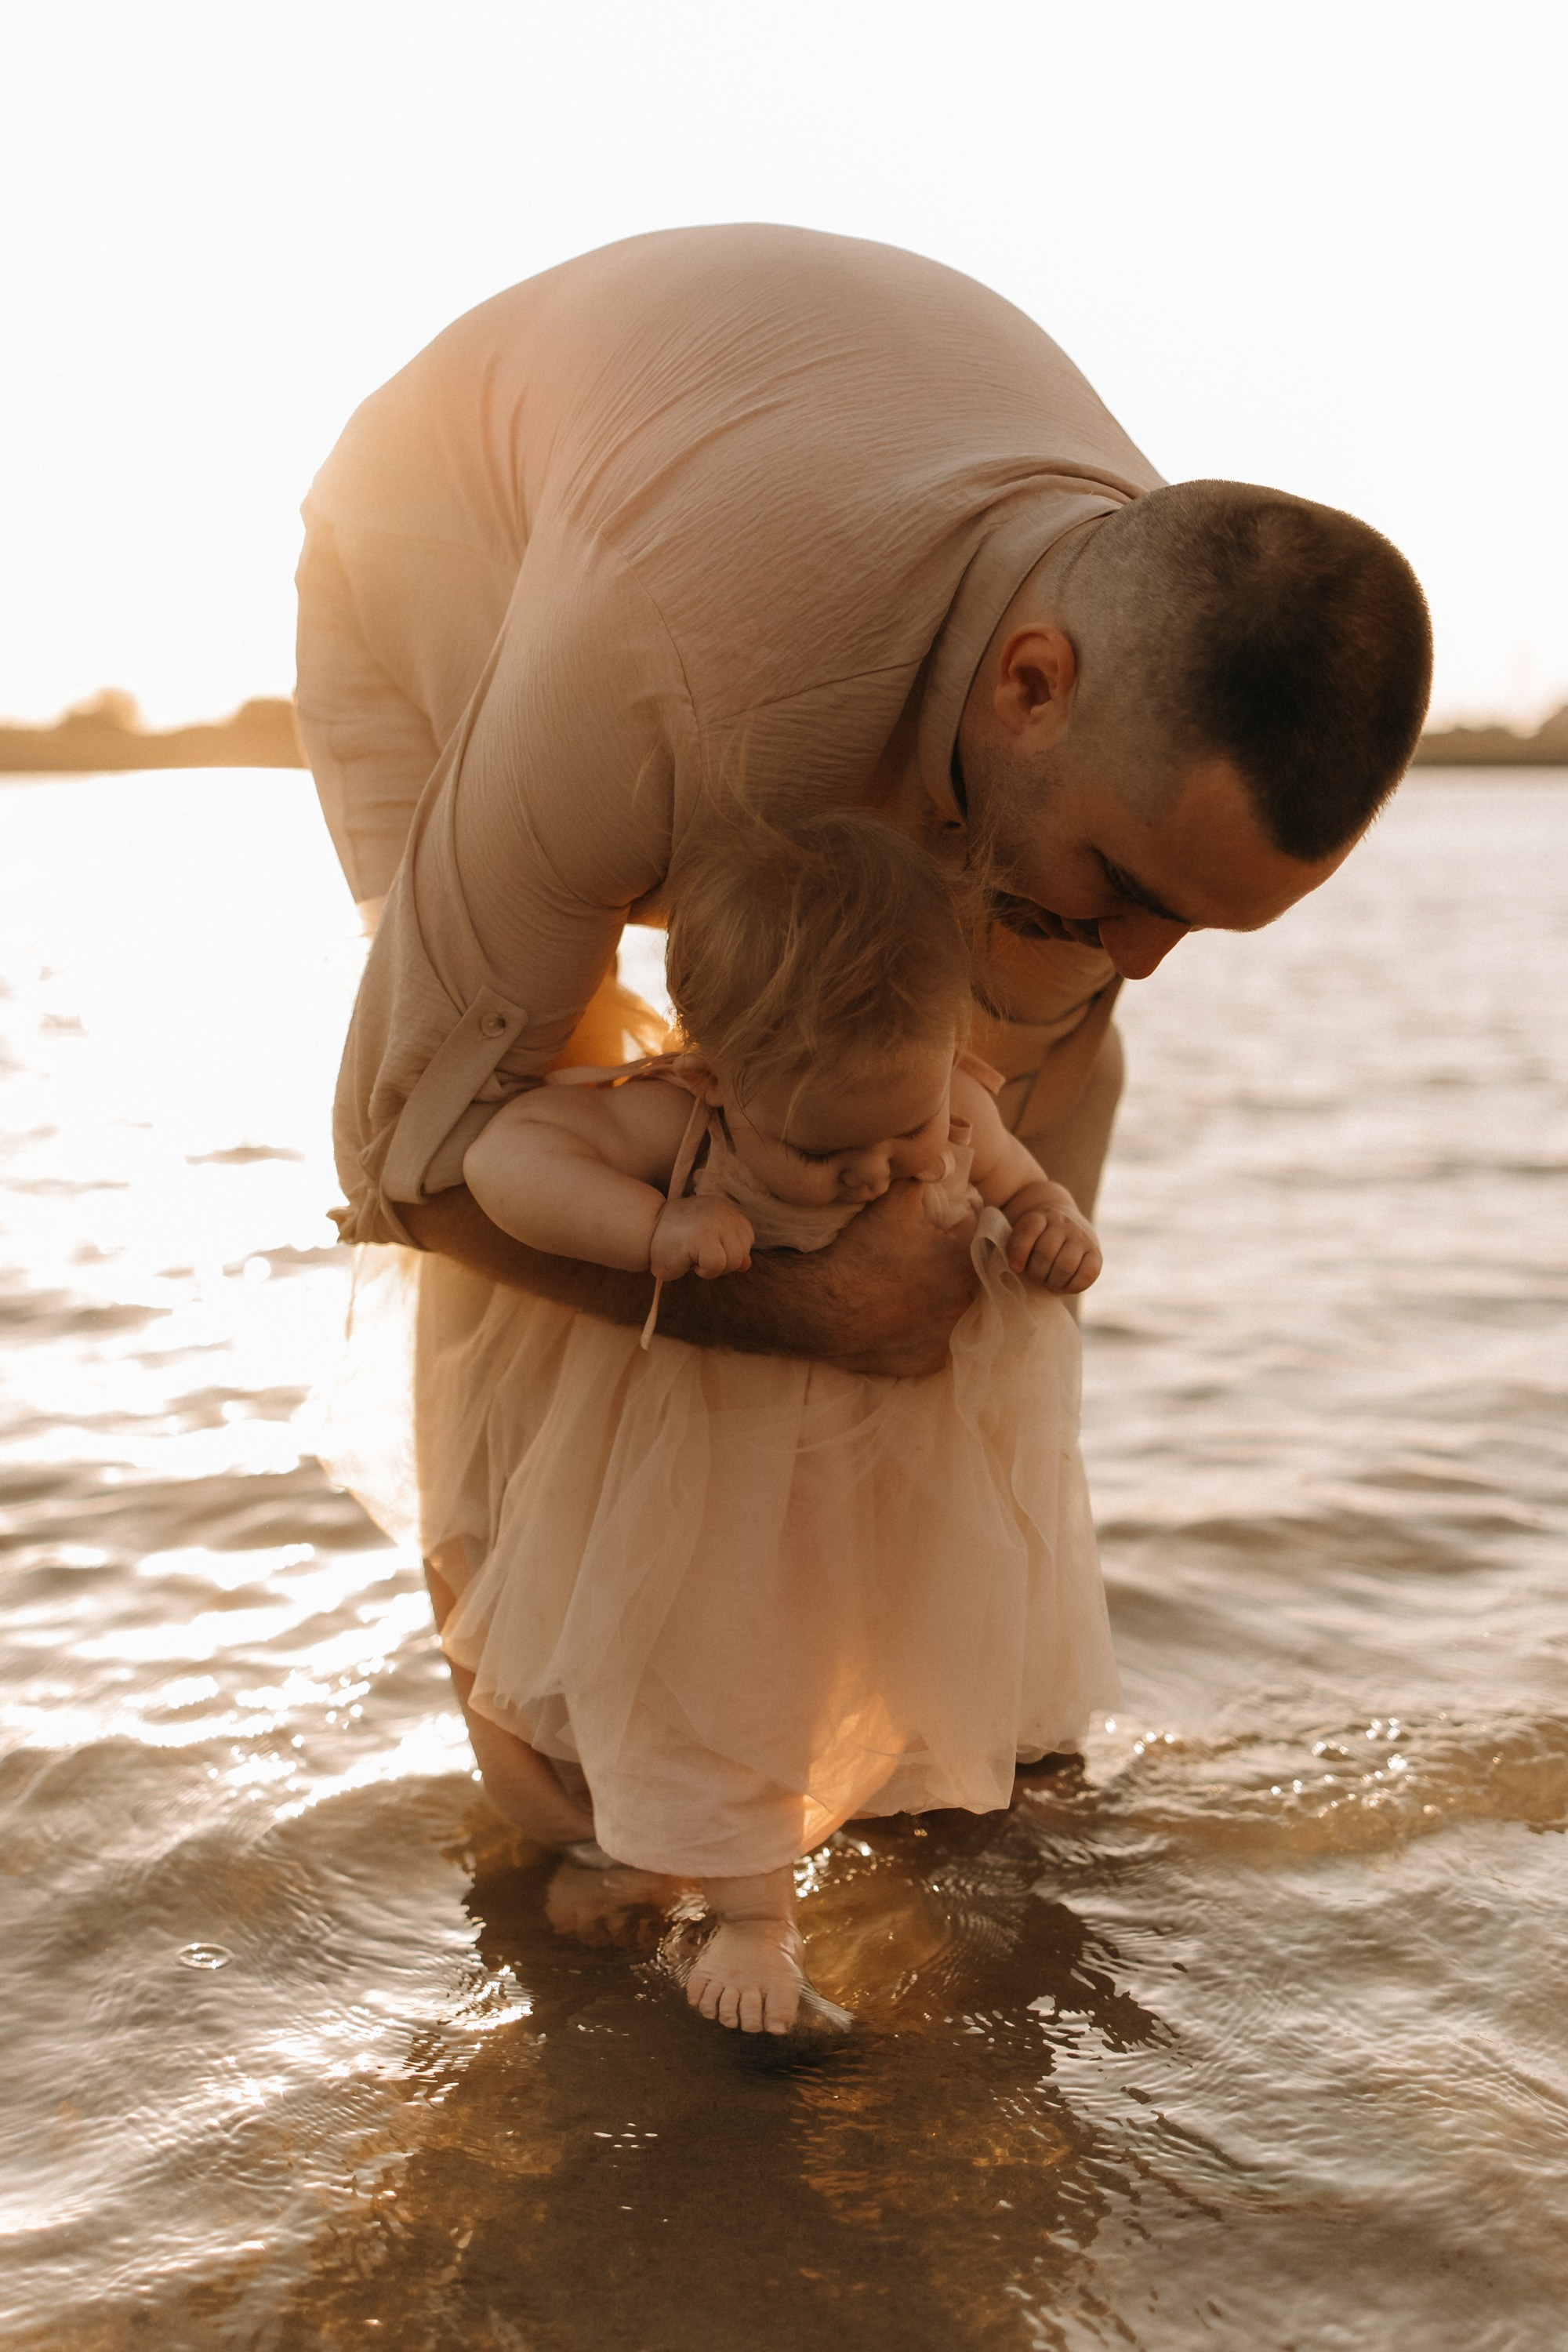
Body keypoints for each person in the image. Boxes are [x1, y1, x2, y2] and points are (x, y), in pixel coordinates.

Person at [296, 223, 1431, 1875]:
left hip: (797, 567)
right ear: (1032, 683)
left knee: (938, 1190)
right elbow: (409, 1159)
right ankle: (559, 1785)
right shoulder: (662, 664)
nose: (1140, 967)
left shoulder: (1133, 682)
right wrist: (790, 1301)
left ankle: (927, 1776)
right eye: (1125, 893)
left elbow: (1002, 1275)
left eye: (1194, 925)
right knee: (572, 1131)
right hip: (456, 579)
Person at [421, 809, 1116, 2034]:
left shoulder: (942, 1101)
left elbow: (1018, 1178)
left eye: (907, 1130)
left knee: (877, 1679)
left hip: (892, 1481)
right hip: (713, 1485)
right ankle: (750, 1917)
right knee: (715, 1682)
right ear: (715, 1075)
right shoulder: (675, 1124)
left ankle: (778, 1849)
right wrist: (653, 1231)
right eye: (824, 1149)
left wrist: (1053, 1220)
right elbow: (505, 1159)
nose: (884, 1171)